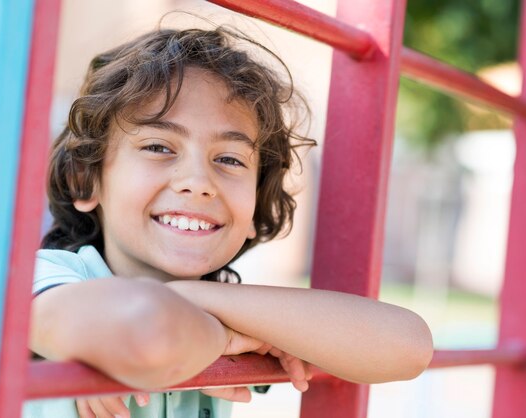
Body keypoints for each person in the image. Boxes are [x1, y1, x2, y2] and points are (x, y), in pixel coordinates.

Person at [26, 25, 433, 418]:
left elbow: (408, 347)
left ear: (255, 207)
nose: (199, 183)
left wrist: (200, 302)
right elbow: (148, 335)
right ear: (85, 179)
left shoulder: (229, 307)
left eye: (229, 159)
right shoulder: (50, 278)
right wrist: (228, 335)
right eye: (158, 146)